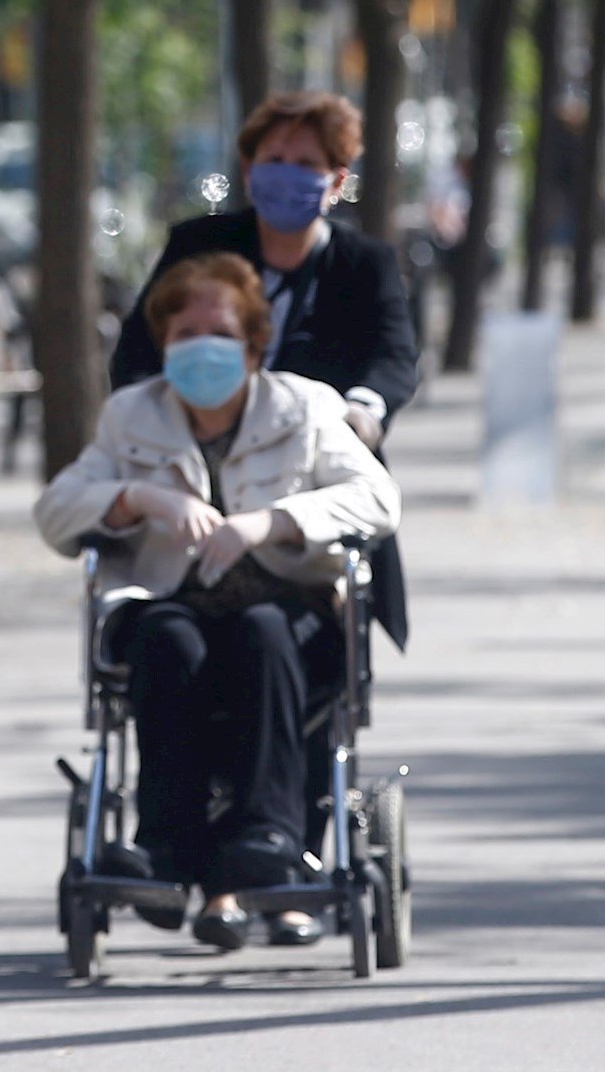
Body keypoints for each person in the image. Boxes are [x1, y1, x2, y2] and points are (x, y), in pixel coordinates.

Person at [38, 253, 400, 952]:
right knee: (165, 641)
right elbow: (56, 510)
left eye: (219, 330)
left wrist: (277, 521)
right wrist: (136, 498)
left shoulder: (304, 407)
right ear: (164, 344)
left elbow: (379, 499)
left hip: (284, 601)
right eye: (183, 333)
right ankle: (166, 848)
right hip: (175, 597)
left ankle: (268, 834)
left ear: (254, 343)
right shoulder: (131, 416)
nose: (200, 346)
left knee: (261, 635)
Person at [111, 90, 417, 646]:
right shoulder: (198, 246)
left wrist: (362, 412)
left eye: (307, 164)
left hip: (304, 472)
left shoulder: (363, 264)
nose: (287, 175)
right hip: (195, 467)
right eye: (274, 160)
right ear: (248, 171)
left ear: (338, 181)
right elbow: (138, 351)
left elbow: (394, 356)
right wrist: (151, 418)